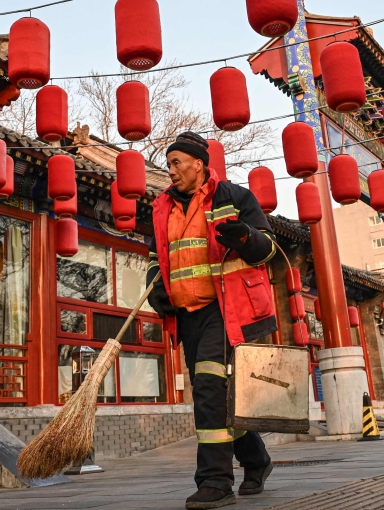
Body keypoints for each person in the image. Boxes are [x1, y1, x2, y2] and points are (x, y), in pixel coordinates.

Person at [146, 132, 277, 510]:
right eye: (168, 164)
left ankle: (216, 482)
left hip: (227, 309)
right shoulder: (161, 208)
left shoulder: (234, 197)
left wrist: (245, 237)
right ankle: (257, 461)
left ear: (199, 164)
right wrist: (157, 286)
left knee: (207, 390)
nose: (170, 171)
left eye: (176, 163)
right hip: (188, 316)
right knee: (216, 396)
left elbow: (267, 250)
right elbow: (158, 254)